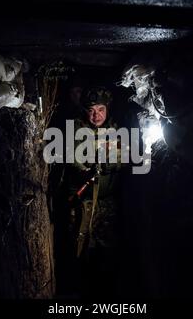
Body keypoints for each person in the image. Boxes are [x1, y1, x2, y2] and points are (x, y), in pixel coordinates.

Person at [66, 86, 124, 297]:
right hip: (81, 203)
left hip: (107, 205)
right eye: (91, 109)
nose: (96, 115)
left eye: (101, 109)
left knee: (107, 253)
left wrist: (109, 158)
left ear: (107, 109)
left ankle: (106, 294)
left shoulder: (117, 130)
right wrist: (94, 156)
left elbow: (122, 157)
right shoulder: (75, 129)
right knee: (79, 251)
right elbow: (74, 158)